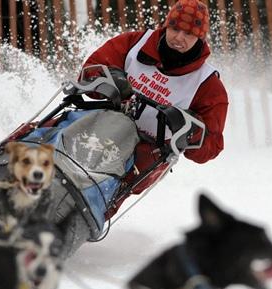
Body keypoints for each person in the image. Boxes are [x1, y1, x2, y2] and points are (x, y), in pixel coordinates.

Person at [81, 0, 229, 216]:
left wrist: (189, 130)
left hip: (146, 150)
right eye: (175, 28)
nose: (179, 38)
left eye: (188, 33)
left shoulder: (207, 85)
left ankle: (88, 213)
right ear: (166, 25)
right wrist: (111, 79)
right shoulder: (134, 44)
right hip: (102, 122)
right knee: (57, 126)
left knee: (120, 175)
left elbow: (212, 145)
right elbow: (89, 72)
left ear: (200, 37)